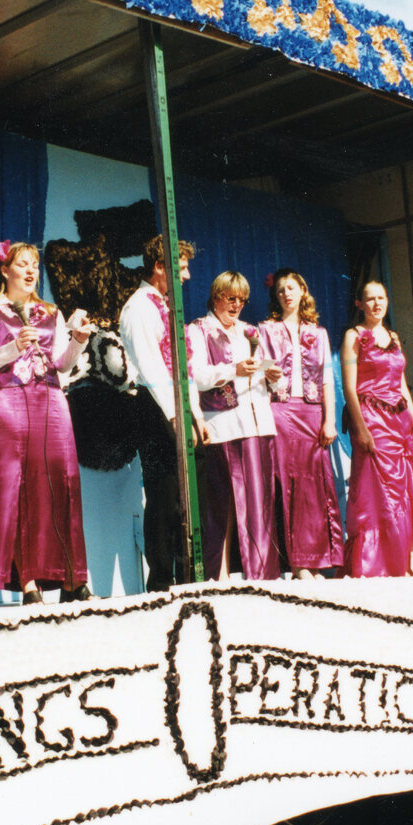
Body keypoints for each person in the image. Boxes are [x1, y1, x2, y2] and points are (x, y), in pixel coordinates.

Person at [0, 240, 93, 604]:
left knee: (63, 481)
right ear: (4, 270)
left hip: (51, 400)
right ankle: (28, 582)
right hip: (9, 399)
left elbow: (61, 363)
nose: (30, 271)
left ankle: (74, 577)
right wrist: (13, 349)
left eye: (34, 265)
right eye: (21, 264)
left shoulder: (50, 312)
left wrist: (79, 342)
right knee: (20, 488)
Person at [119, 234, 208, 592]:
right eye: (181, 268)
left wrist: (196, 413)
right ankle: (161, 581)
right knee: (164, 494)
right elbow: (152, 367)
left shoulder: (166, 306)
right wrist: (175, 415)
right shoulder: (140, 306)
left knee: (185, 496)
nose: (186, 276)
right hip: (155, 406)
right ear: (160, 267)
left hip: (175, 405)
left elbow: (182, 366)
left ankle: (188, 574)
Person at [187, 272, 279, 582]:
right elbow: (197, 376)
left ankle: (262, 574)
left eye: (242, 299)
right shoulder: (199, 330)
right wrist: (233, 370)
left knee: (258, 502)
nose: (237, 304)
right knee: (222, 504)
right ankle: (219, 573)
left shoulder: (249, 332)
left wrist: (271, 377)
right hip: (223, 425)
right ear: (216, 297)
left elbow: (261, 372)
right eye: (231, 298)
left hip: (257, 423)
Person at [341, 280, 413, 577]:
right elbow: (349, 388)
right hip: (371, 416)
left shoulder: (392, 336)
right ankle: (376, 564)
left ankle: (404, 558)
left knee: (406, 486)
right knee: (377, 489)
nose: (377, 304)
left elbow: (401, 381)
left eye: (381, 297)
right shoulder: (353, 336)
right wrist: (361, 428)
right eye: (370, 299)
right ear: (360, 304)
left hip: (400, 418)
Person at [259, 268, 343, 579]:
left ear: (302, 291)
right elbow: (261, 372)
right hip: (281, 411)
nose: (286, 294)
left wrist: (330, 420)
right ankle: (296, 564)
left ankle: (318, 560)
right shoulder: (266, 330)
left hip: (313, 413)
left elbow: (326, 383)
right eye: (280, 290)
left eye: (291, 288)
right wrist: (267, 373)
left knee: (316, 487)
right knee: (288, 485)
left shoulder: (318, 333)